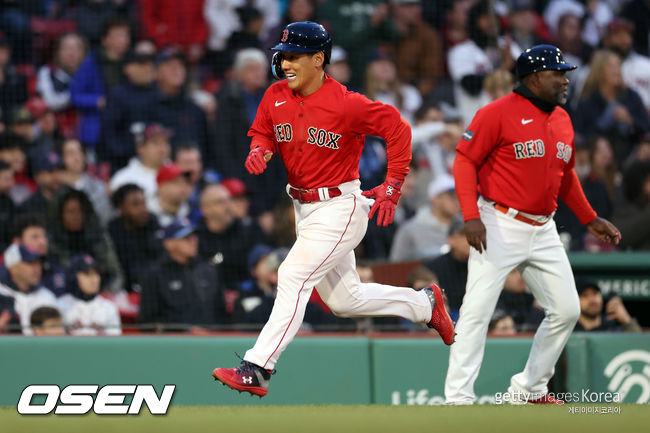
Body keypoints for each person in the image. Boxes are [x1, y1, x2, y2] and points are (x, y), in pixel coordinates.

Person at [211, 21, 455, 397]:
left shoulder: (348, 103)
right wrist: (260, 148)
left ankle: (257, 368)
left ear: (318, 59)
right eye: (283, 54)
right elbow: (264, 131)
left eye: (293, 56)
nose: (284, 62)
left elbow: (398, 130)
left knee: (291, 275)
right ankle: (423, 304)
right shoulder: (275, 95)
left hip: (339, 206)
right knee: (345, 301)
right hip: (303, 208)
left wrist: (392, 186)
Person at [445, 45, 621, 405]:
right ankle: (458, 398)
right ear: (535, 77)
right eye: (558, 73)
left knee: (567, 309)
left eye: (565, 73)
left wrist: (589, 218)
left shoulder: (562, 118)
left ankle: (528, 389)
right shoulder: (495, 113)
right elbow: (464, 163)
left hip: (543, 228)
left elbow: (565, 174)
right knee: (477, 310)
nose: (565, 80)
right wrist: (470, 216)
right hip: (498, 221)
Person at [138, 218, 226, 328]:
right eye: (186, 238)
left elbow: (221, 313)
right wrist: (185, 331)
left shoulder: (208, 270)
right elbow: (148, 321)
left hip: (212, 340)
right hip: (175, 342)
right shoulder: (155, 275)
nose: (193, 241)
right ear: (168, 244)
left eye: (194, 236)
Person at [389, 174, 460, 262]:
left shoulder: (465, 228)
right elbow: (396, 265)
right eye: (452, 196)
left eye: (459, 196)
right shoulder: (409, 230)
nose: (457, 201)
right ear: (435, 199)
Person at [108, 184, 163, 293]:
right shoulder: (112, 231)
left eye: (144, 203)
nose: (142, 209)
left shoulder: (153, 223)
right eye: (135, 205)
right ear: (120, 208)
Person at [109, 122, 172, 206]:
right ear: (140, 148)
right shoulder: (123, 178)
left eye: (165, 142)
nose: (162, 148)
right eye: (155, 143)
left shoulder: (178, 173)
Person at [58, 254, 122, 335]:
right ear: (73, 277)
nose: (94, 279)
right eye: (87, 274)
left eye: (96, 273)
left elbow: (114, 344)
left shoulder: (109, 308)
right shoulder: (60, 306)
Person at [0, 244, 58, 334]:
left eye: (39, 263)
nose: (37, 268)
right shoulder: (1, 292)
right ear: (13, 268)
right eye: (30, 263)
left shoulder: (47, 296)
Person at [58, 138, 112, 225]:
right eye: (70, 153)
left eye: (79, 152)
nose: (76, 157)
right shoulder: (57, 189)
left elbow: (105, 219)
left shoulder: (99, 187)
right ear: (62, 158)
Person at [574, 280, 641, 332]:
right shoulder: (570, 329)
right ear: (575, 300)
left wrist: (626, 320)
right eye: (585, 295)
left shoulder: (612, 327)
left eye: (595, 294)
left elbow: (640, 346)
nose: (592, 300)